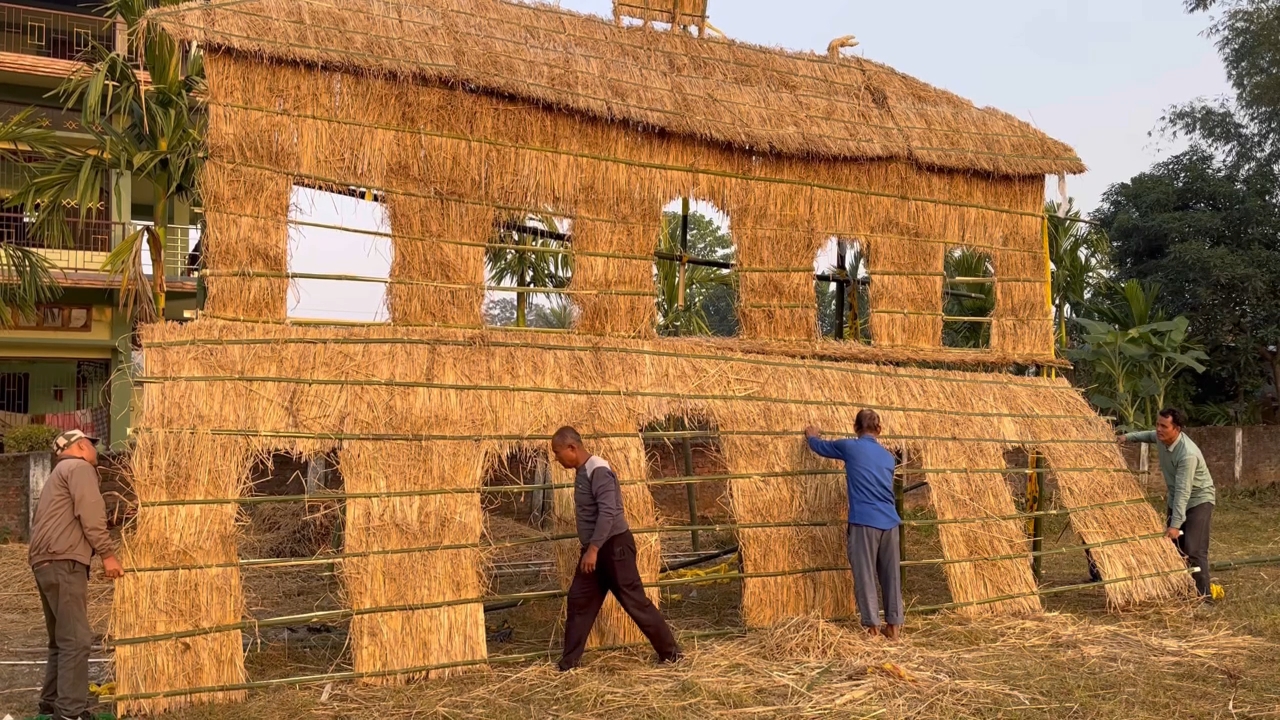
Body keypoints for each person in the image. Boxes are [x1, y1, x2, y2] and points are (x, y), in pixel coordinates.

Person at [550, 426, 681, 671]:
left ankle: (671, 655)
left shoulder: (598, 469)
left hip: (613, 548)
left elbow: (608, 511)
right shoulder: (582, 471)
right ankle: (569, 664)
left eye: (558, 453)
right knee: (579, 601)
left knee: (635, 603)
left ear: (572, 448)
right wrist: (591, 549)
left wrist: (593, 549)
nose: (557, 459)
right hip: (595, 550)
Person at [29, 430, 124, 720]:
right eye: (93, 446)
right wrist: (107, 554)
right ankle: (69, 713)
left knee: (61, 639)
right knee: (77, 639)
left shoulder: (57, 475)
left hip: (45, 561)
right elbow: (91, 513)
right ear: (81, 446)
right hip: (64, 560)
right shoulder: (80, 468)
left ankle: (52, 703)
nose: (96, 451)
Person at [805, 409, 903, 640]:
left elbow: (820, 447)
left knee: (865, 574)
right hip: (890, 522)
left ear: (855, 428)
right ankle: (894, 628)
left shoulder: (849, 447)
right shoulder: (888, 457)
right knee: (891, 575)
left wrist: (811, 435)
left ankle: (872, 628)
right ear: (879, 430)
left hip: (864, 521)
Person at [1118, 407, 1216, 599]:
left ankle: (1204, 596)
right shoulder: (1162, 439)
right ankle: (1183, 588)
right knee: (1176, 548)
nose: (1158, 429)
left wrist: (1175, 525)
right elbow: (1148, 435)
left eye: (1164, 426)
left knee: (1194, 549)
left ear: (1177, 429)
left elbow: (1183, 491)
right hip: (1176, 498)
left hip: (1199, 500)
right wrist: (1128, 438)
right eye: (1157, 424)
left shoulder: (1187, 455)